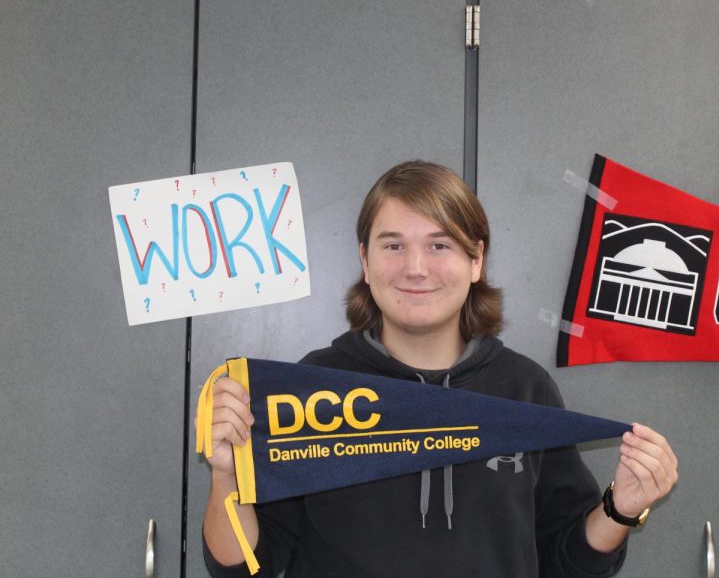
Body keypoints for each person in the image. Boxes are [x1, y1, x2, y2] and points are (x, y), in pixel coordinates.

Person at [201, 160, 678, 577]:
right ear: (365, 262)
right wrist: (227, 474)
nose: (415, 268)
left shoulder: (525, 389)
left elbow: (565, 559)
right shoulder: (313, 390)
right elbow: (244, 566)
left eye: (439, 245)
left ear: (476, 261)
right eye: (392, 246)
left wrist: (620, 510)